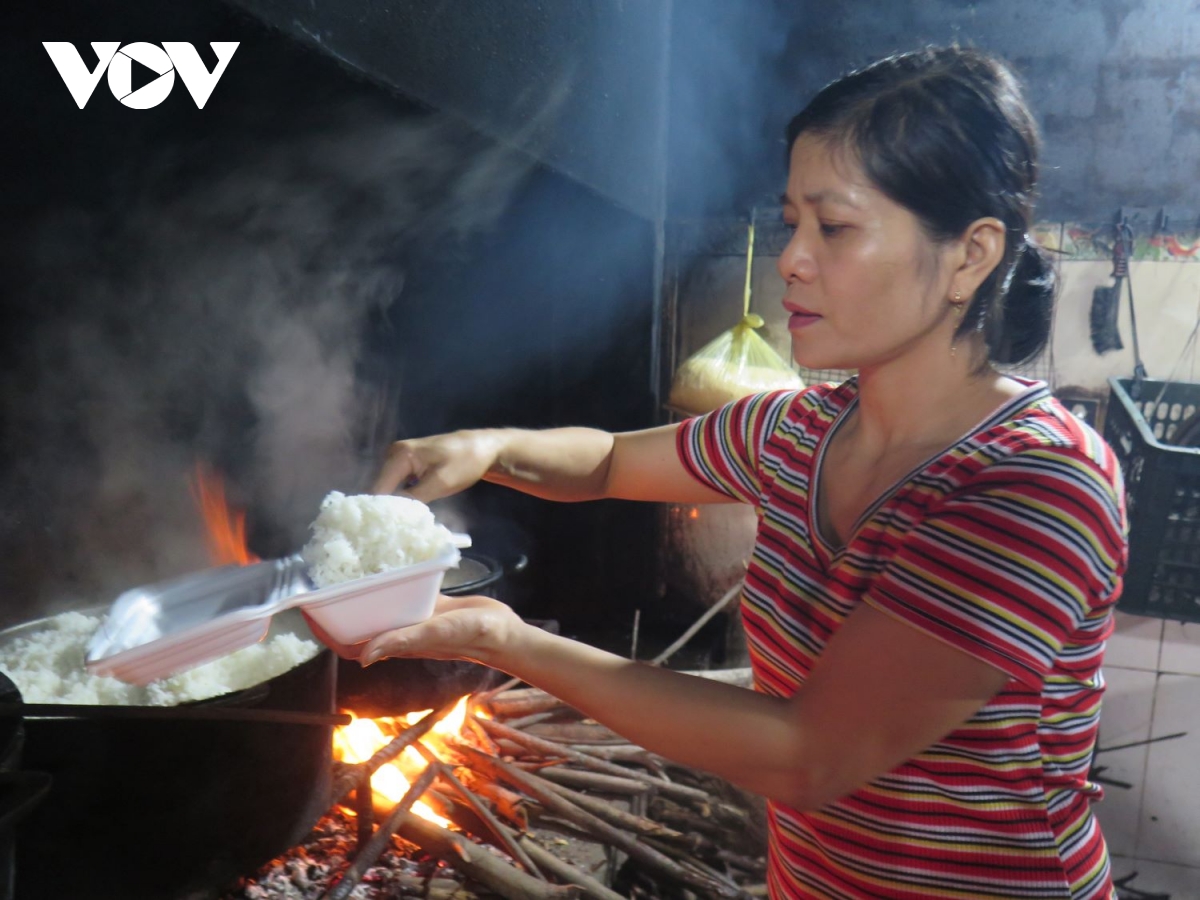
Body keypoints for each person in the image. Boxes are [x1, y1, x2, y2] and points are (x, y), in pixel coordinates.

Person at [347, 47, 1129, 899]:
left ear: (970, 256)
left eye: (833, 227)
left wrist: (506, 642)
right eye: (791, 221)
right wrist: (489, 447)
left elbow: (808, 755)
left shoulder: (1037, 488)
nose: (792, 259)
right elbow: (609, 462)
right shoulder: (797, 430)